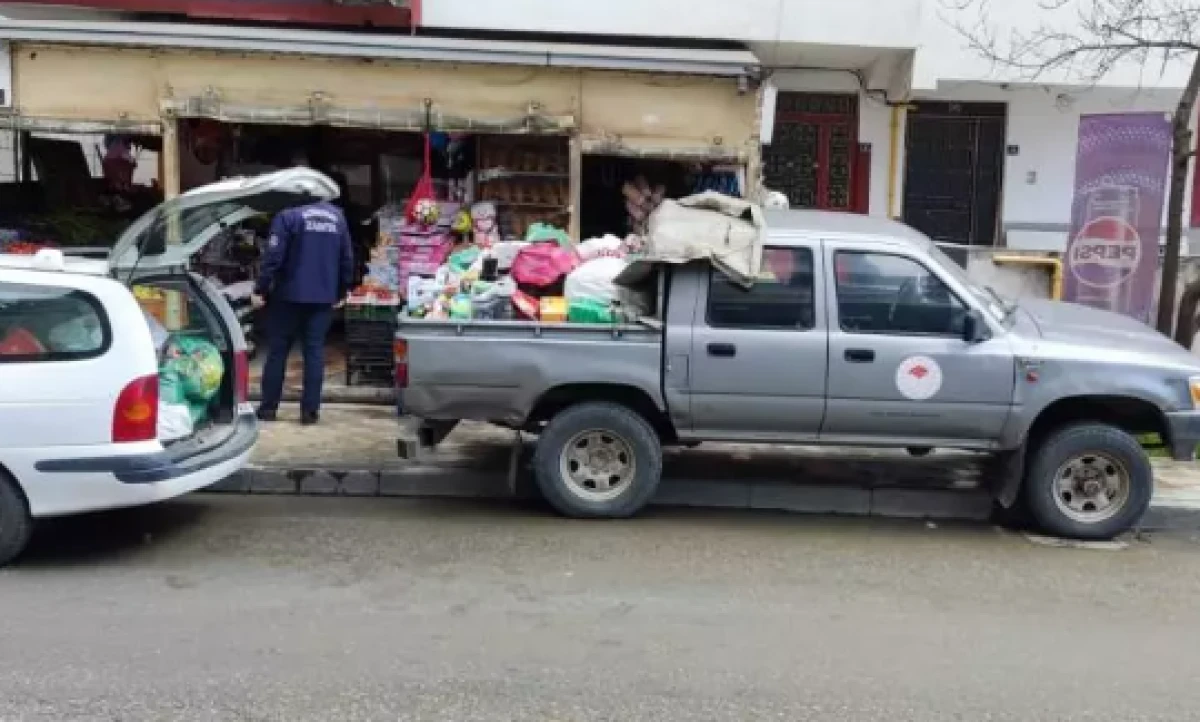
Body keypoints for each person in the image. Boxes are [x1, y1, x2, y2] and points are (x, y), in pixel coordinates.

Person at [252, 194, 354, 426]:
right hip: (322, 297)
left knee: (278, 351)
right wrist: (342, 289)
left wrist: (261, 288)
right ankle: (310, 412)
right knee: (314, 352)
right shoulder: (337, 218)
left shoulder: (288, 216)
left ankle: (268, 409)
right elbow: (346, 257)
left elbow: (273, 256)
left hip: (287, 296)